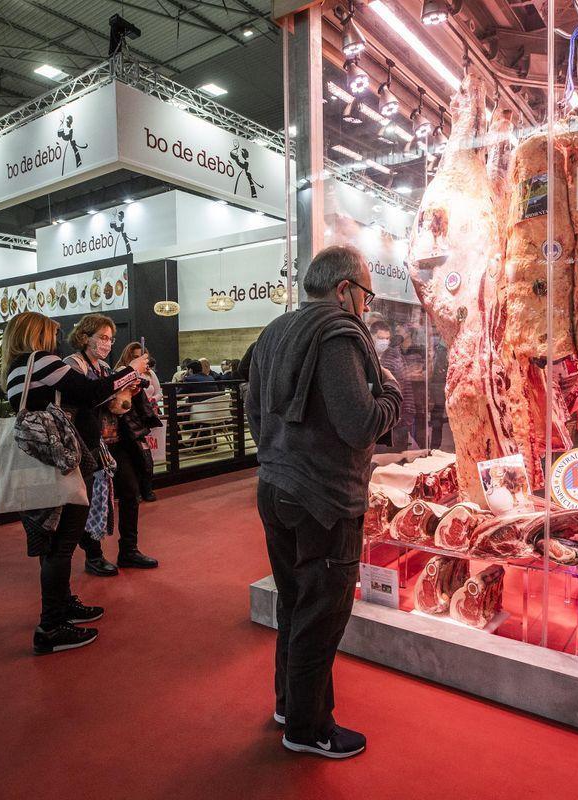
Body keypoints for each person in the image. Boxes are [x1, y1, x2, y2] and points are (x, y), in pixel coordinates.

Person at [247, 244, 402, 759]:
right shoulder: (339, 331)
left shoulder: (274, 331)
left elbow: (254, 412)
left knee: (294, 603)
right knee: (321, 613)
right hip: (325, 500)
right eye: (367, 295)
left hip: (275, 488)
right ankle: (308, 728)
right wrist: (393, 398)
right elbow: (358, 424)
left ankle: (291, 705)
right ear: (344, 291)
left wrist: (280, 456)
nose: (368, 306)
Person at [2, 312, 147, 655]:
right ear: (38, 335)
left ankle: (63, 605)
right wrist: (132, 371)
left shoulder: (16, 368)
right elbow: (88, 391)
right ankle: (51, 626)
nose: (55, 339)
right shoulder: (43, 361)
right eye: (51, 333)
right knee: (61, 543)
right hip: (61, 463)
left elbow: (84, 395)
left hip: (39, 465)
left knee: (52, 541)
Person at [63, 315, 158, 574]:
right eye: (102, 337)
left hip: (113, 442)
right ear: (85, 336)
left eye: (110, 339)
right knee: (90, 501)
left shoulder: (104, 367)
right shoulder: (73, 365)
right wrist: (129, 373)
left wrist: (129, 391)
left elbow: (114, 404)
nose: (107, 343)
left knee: (130, 492)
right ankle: (93, 556)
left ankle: (129, 549)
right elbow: (89, 396)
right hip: (86, 444)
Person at [115, 342, 163, 504]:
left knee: (145, 458)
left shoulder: (148, 374)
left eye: (141, 356)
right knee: (138, 458)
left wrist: (151, 400)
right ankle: (137, 491)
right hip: (127, 420)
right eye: (135, 357)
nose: (139, 359)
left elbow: (158, 391)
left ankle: (143, 490)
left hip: (144, 419)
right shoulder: (122, 372)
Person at [369, 320, 415, 452]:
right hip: (377, 420)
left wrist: (405, 417)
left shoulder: (395, 359)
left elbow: (403, 388)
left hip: (396, 421)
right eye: (380, 338)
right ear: (372, 337)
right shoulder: (369, 357)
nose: (384, 341)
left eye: (387, 338)